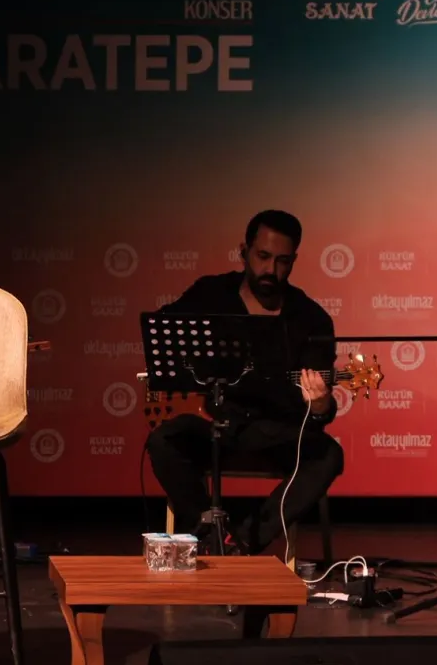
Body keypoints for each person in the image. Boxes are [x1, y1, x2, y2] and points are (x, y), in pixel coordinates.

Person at [146, 209, 345, 556]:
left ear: (294, 261)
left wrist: (319, 404)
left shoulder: (311, 318)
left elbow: (318, 416)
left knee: (328, 455)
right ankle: (209, 535)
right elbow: (164, 332)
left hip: (275, 433)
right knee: (163, 440)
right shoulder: (211, 293)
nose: (271, 269)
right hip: (214, 423)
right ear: (244, 252)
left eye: (282, 261)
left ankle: (242, 543)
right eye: (263, 256)